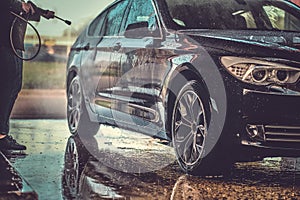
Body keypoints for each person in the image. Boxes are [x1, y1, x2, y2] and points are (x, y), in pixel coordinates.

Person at [0, 1, 55, 151]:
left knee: (8, 87)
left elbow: (24, 9)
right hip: (7, 43)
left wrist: (42, 13)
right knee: (10, 87)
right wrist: (19, 5)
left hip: (10, 43)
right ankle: (1, 136)